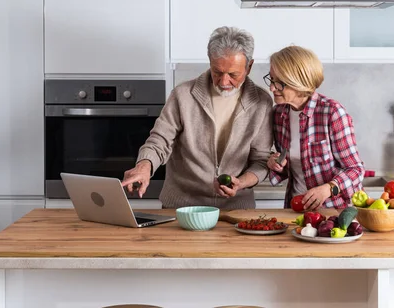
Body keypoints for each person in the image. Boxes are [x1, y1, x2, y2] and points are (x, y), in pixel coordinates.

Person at [122, 26, 273, 209]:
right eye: (217, 72)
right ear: (210, 62)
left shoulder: (262, 102)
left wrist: (240, 183)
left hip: (236, 211)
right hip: (182, 208)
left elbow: (261, 160)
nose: (224, 82)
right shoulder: (183, 94)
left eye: (233, 74)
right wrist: (144, 166)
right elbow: (159, 140)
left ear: (249, 66)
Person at [265, 46, 365, 211]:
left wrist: (328, 188)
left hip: (334, 211)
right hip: (295, 208)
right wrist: (275, 163)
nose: (272, 88)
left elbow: (355, 169)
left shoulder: (331, 113)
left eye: (279, 83)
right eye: (272, 79)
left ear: (298, 83)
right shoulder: (278, 114)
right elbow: (293, 167)